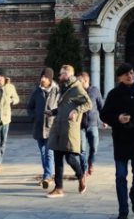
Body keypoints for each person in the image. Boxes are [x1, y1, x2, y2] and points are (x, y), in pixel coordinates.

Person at [100, 63, 134, 219]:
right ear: (120, 78)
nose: (130, 76)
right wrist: (117, 119)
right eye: (126, 74)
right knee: (120, 175)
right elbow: (105, 115)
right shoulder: (114, 94)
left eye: (131, 73)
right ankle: (123, 210)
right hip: (121, 139)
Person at [45, 65, 91, 198]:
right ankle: (59, 188)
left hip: (69, 128)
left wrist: (76, 111)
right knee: (57, 157)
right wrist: (52, 112)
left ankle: (81, 176)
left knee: (70, 158)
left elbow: (89, 104)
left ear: (66, 75)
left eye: (60, 74)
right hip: (58, 126)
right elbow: (64, 107)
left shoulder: (76, 87)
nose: (59, 77)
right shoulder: (64, 88)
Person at [26, 67, 60, 189]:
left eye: (45, 77)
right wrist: (34, 117)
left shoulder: (57, 91)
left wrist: (54, 115)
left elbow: (61, 107)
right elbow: (29, 107)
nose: (43, 79)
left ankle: (47, 176)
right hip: (39, 126)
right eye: (42, 77)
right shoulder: (37, 92)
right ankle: (48, 174)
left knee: (48, 152)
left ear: (50, 79)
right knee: (42, 152)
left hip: (51, 126)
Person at [78, 71, 106, 177]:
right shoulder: (77, 92)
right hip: (80, 125)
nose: (77, 82)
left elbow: (101, 106)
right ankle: (84, 169)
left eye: (79, 80)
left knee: (94, 148)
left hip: (93, 124)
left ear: (85, 81)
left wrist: (105, 120)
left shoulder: (95, 91)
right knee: (82, 149)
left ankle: (91, 163)